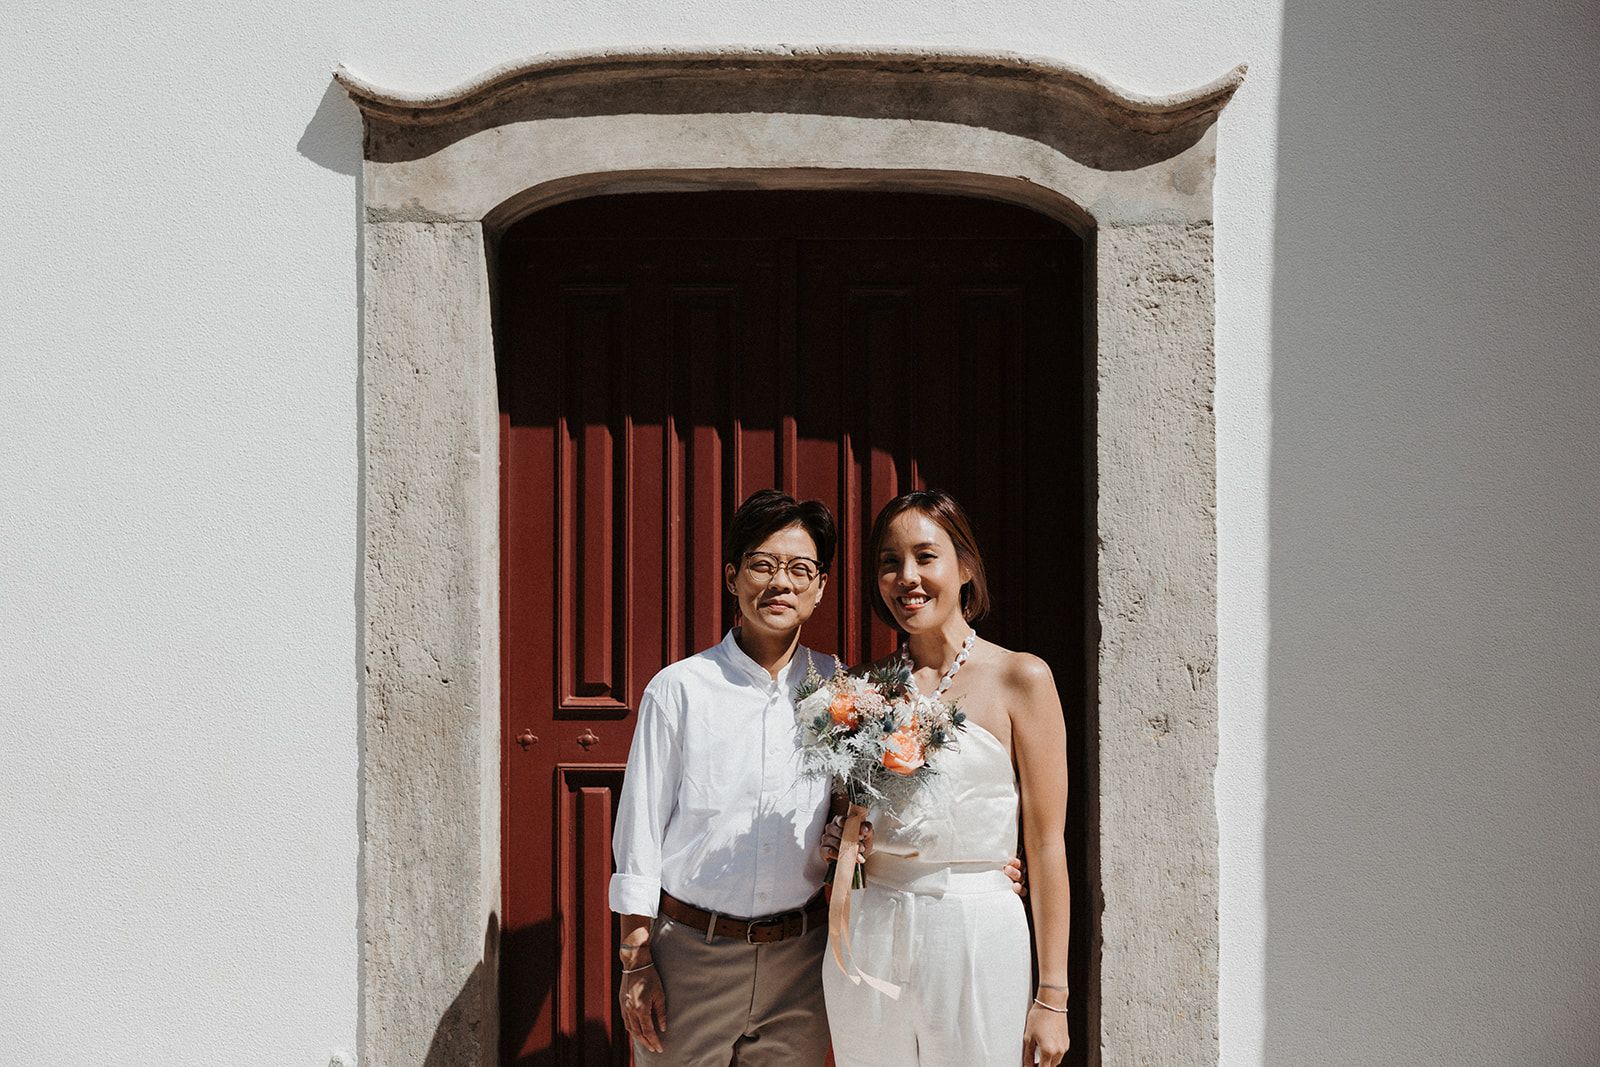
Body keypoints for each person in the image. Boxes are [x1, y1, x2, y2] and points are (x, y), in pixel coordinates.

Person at [612, 488, 1025, 1065]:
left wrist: (968, 858)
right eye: (762, 565)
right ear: (733, 577)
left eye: (800, 569)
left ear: (820, 588)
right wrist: (637, 957)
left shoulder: (843, 690)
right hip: (692, 955)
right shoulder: (679, 690)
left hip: (801, 961)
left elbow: (863, 804)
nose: (780, 583)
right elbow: (639, 832)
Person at [820, 489, 1072, 1067]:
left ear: (965, 567)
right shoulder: (863, 689)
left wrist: (1052, 995)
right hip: (870, 928)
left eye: (924, 556)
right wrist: (842, 842)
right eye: (889, 561)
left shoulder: (1020, 678)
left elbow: (1046, 841)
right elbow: (851, 814)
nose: (905, 576)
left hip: (976, 929)